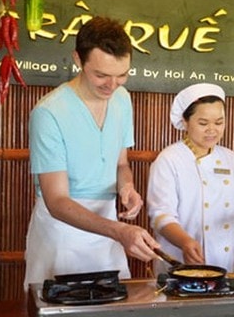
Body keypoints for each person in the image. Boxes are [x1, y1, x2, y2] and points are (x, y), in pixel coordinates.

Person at [24, 16, 159, 289]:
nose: (112, 85)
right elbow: (57, 201)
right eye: (101, 75)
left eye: (122, 75)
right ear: (78, 60)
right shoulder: (48, 113)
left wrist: (127, 187)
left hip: (109, 224)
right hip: (61, 232)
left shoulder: (123, 99)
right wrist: (120, 231)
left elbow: (121, 163)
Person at [147, 83, 234, 275]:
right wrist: (185, 242)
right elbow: (161, 215)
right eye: (203, 123)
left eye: (219, 122)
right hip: (182, 264)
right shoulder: (169, 159)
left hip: (227, 265)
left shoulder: (231, 159)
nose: (212, 130)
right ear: (185, 121)